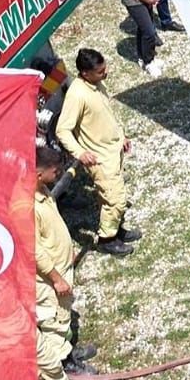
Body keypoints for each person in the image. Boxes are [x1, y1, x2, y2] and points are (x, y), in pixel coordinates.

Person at [56, 49, 141, 256]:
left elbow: (107, 113)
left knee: (109, 196)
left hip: (113, 150)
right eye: (100, 71)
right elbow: (62, 129)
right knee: (116, 200)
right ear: (85, 73)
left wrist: (121, 136)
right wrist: (80, 153)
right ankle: (107, 239)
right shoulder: (77, 95)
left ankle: (117, 229)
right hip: (100, 158)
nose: (106, 73)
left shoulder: (97, 84)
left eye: (104, 68)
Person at [32, 145, 96, 380]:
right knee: (54, 322)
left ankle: (67, 353)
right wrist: (56, 277)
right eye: (54, 171)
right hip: (48, 280)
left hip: (60, 271)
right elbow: (33, 249)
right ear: (37, 174)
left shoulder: (42, 192)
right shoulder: (25, 205)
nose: (58, 175)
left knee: (64, 314)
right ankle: (64, 367)